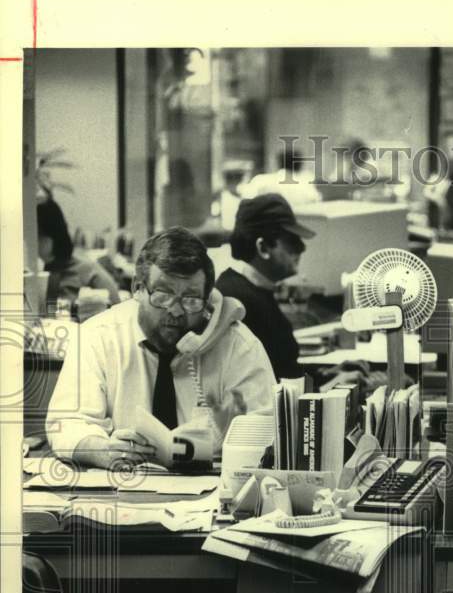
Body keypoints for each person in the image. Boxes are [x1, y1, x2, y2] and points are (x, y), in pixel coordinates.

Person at [46, 227, 276, 468]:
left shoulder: (237, 346)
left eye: (191, 299)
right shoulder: (98, 336)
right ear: (137, 288)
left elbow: (266, 428)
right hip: (127, 490)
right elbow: (66, 421)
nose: (176, 311)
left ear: (208, 301)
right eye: (163, 295)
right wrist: (99, 448)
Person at [214, 194, 315, 380]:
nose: (302, 248)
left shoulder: (252, 289)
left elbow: (280, 366)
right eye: (292, 240)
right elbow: (274, 377)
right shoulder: (236, 300)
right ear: (263, 247)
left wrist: (325, 375)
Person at [36, 198, 121, 317]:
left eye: (38, 236)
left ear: (53, 234)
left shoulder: (84, 270)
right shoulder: (50, 267)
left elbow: (116, 305)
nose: (33, 242)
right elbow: (50, 312)